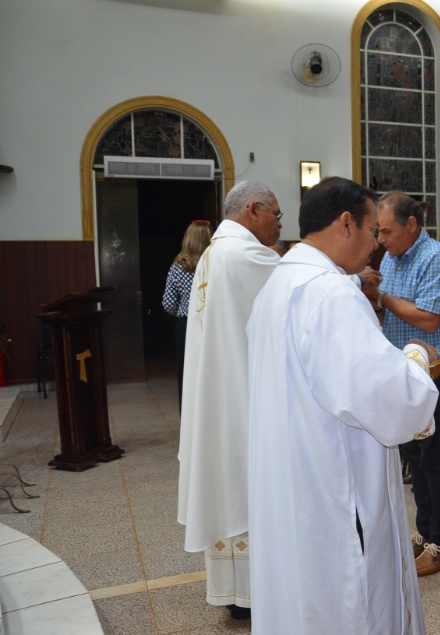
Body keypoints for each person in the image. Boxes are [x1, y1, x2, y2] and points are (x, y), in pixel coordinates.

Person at [246, 177, 439, 635]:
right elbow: (390, 401)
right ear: (346, 222)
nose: (376, 246)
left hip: (297, 482)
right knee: (351, 607)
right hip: (335, 489)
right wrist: (415, 357)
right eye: (374, 231)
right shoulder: (330, 293)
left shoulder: (279, 282)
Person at [177, 181, 282, 619]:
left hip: (216, 397)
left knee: (227, 486)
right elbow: (309, 290)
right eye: (276, 213)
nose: (280, 223)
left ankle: (237, 595)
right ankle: (256, 595)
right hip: (240, 400)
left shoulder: (213, 253)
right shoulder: (246, 255)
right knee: (244, 486)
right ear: (253, 210)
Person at [367, 191, 440, 576]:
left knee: (436, 460)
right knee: (415, 458)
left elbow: (428, 319)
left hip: (439, 372)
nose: (381, 240)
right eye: (378, 231)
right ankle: (426, 535)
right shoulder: (393, 258)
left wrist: (382, 297)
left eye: (387, 231)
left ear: (412, 225)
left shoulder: (436, 258)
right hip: (405, 372)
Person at [162, 220, 211, 408]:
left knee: (186, 373)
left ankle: (188, 421)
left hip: (186, 326)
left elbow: (167, 303)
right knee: (210, 372)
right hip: (210, 325)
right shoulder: (214, 265)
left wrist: (182, 313)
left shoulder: (177, 266)